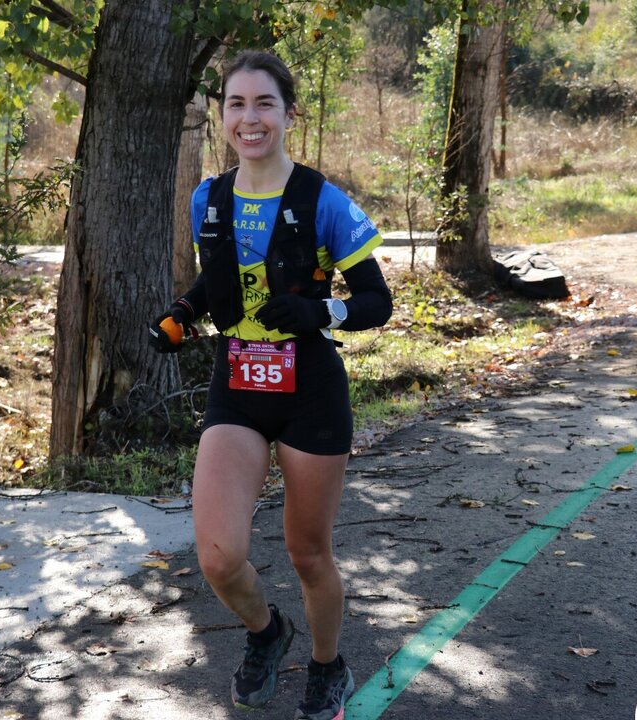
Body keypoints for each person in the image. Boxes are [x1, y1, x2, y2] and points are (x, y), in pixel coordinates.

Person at [149, 49, 393, 720]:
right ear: (222, 114)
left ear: (289, 114)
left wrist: (322, 312)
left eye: (264, 103)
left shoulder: (323, 200)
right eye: (237, 103)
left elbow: (376, 302)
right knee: (218, 556)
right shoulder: (208, 198)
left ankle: (327, 664)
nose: (250, 117)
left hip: (310, 388)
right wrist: (184, 311)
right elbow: (217, 279)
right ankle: (265, 633)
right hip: (237, 383)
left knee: (308, 555)